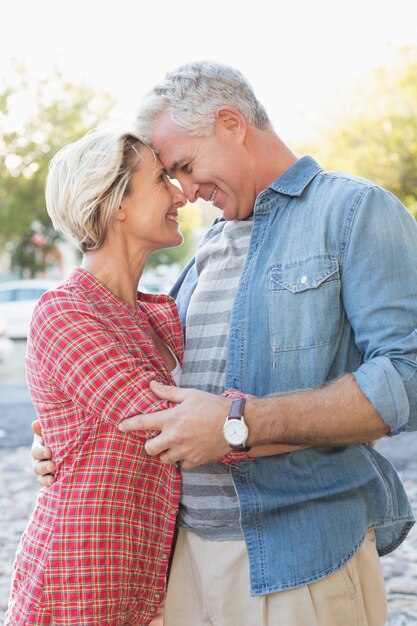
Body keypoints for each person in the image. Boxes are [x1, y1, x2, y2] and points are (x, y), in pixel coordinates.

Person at [32, 61, 417, 626]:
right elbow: (158, 402)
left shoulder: (353, 211)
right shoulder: (199, 257)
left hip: (295, 557)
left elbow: (407, 373)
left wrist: (241, 424)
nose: (184, 192)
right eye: (168, 176)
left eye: (184, 166)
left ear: (232, 124)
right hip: (182, 566)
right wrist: (72, 446)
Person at [6, 128, 188, 626]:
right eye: (161, 180)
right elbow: (166, 424)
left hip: (149, 576)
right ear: (115, 203)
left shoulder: (162, 315)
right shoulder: (64, 313)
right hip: (80, 580)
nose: (180, 195)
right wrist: (279, 425)